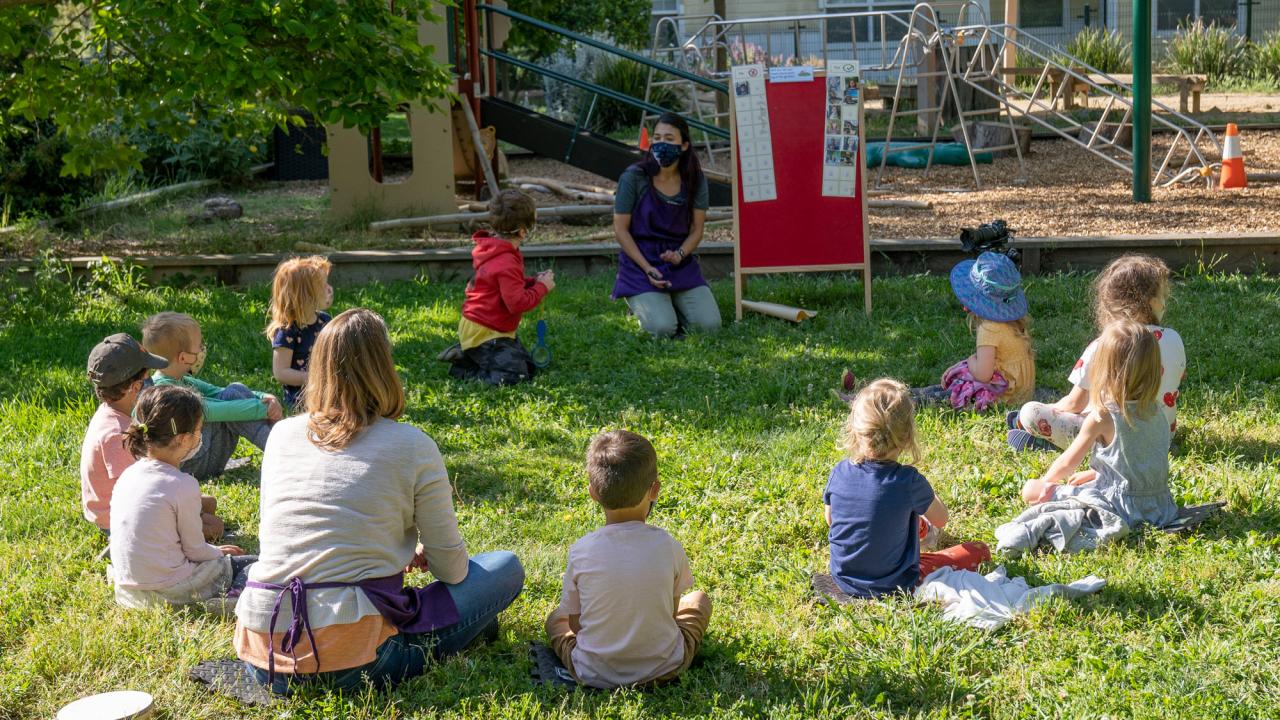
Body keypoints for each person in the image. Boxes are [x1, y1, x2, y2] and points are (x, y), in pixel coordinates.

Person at [235, 308, 525, 695]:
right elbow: (452, 572)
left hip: (264, 654)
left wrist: (385, 548)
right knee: (502, 567)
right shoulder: (412, 445)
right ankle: (469, 629)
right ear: (384, 366)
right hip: (354, 661)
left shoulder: (282, 435)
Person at [546, 430, 711, 689]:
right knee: (699, 600)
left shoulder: (581, 551)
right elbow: (672, 612)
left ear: (593, 492)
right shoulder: (668, 546)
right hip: (663, 667)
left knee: (557, 618)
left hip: (593, 672)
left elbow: (577, 626)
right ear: (654, 489)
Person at [824, 379, 990, 598]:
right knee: (980, 551)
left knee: (907, 522)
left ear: (857, 430)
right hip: (895, 582)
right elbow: (941, 519)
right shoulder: (909, 482)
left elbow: (831, 519)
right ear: (908, 436)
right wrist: (926, 491)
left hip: (843, 578)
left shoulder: (840, 471)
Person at [1009, 254, 1184, 451]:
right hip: (1162, 437)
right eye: (1163, 297)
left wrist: (1050, 410)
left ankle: (1046, 437)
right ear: (1152, 303)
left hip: (1115, 442)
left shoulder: (1103, 345)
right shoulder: (1174, 339)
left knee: (1029, 412)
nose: (1165, 303)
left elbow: (1074, 403)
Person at [1019, 321, 1178, 528]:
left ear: (1105, 371)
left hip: (1117, 506)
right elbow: (1141, 459)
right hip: (1159, 506)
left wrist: (1044, 485)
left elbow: (1067, 462)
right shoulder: (1157, 411)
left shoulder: (1103, 416)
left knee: (1029, 489)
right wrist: (1097, 473)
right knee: (1081, 481)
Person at [109, 385, 253, 610]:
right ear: (185, 439)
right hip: (170, 590)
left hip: (129, 592)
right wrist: (218, 553)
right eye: (199, 431)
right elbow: (195, 550)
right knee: (254, 566)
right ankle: (230, 601)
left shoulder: (128, 475)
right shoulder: (182, 484)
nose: (200, 437)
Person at [80, 333, 224, 540]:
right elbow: (136, 496)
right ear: (136, 387)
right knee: (213, 526)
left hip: (136, 503)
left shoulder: (115, 413)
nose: (152, 382)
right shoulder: (115, 434)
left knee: (208, 503)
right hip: (119, 518)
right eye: (148, 377)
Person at [611, 112, 721, 339]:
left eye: (669, 139)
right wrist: (647, 268)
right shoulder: (633, 177)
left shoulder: (695, 180)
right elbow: (620, 230)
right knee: (662, 329)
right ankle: (640, 302)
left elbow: (697, 230)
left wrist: (680, 254)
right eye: (658, 138)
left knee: (709, 326)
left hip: (678, 262)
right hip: (640, 263)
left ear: (684, 145)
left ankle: (668, 303)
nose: (661, 144)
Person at [142, 312, 280, 480]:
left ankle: (281, 445)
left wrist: (263, 396)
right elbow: (218, 410)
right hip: (188, 466)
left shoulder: (178, 379)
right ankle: (283, 453)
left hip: (196, 457)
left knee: (234, 389)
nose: (202, 349)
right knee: (232, 396)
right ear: (183, 357)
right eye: (199, 345)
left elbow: (219, 391)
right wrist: (264, 409)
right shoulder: (166, 392)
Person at [439, 189, 555, 386]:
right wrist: (542, 288)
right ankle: (465, 367)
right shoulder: (506, 260)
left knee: (528, 366)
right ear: (523, 231)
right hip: (486, 332)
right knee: (516, 376)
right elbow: (517, 303)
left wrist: (532, 282)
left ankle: (470, 354)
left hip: (488, 328)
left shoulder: (497, 249)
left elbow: (503, 285)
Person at [912, 252, 1034, 411]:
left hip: (1001, 398)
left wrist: (969, 360)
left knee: (943, 396)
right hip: (1018, 391)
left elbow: (983, 374)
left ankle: (902, 402)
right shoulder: (1012, 322)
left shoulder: (989, 328)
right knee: (944, 388)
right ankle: (906, 395)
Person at [265, 256, 334, 410]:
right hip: (302, 397)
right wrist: (312, 378)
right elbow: (280, 372)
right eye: (323, 285)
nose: (329, 288)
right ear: (305, 295)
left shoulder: (325, 321)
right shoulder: (288, 331)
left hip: (326, 390)